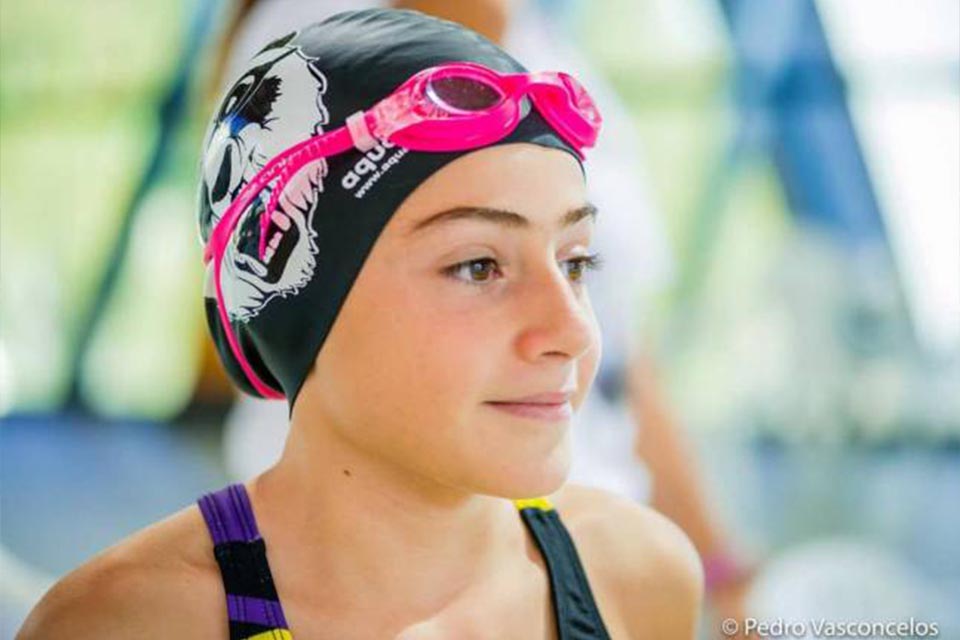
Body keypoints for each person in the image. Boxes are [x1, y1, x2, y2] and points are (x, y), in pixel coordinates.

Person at [18, 8, 702, 639]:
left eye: (577, 263)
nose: (573, 332)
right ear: (297, 299)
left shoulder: (638, 577)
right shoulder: (130, 624)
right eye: (477, 267)